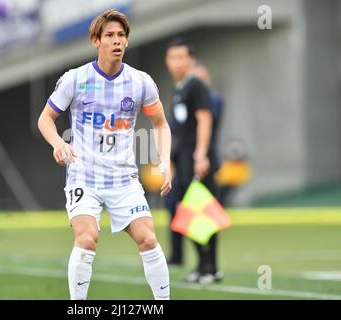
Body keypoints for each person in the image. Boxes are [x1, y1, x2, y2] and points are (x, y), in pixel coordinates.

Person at [38, 9, 172, 300]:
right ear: (96, 41)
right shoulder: (75, 79)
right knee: (87, 238)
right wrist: (58, 144)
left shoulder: (140, 83)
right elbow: (45, 119)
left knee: (148, 239)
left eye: (121, 35)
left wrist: (164, 161)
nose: (117, 41)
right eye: (109, 35)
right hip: (84, 177)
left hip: (124, 179)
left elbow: (160, 123)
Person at [164, 38, 223, 284]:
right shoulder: (180, 89)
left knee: (202, 211)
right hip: (184, 160)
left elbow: (205, 120)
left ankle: (210, 267)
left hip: (197, 159)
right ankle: (203, 266)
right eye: (172, 57)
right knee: (186, 211)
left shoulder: (196, 85)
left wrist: (201, 154)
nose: (177, 62)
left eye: (182, 57)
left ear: (190, 60)